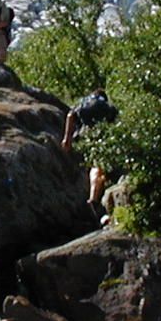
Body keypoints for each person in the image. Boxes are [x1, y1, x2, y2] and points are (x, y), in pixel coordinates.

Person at [61, 89, 120, 224]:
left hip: (84, 135)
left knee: (95, 164)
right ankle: (94, 197)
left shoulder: (83, 102)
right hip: (99, 134)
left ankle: (94, 196)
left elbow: (70, 116)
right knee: (99, 165)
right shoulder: (105, 105)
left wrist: (67, 139)